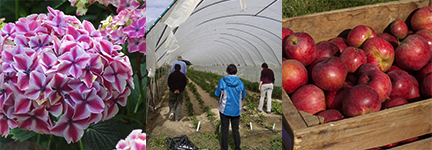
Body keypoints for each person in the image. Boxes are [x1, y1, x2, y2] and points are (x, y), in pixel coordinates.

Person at [215, 64, 246, 150]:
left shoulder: (223, 81)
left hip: (224, 109)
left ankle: (224, 148)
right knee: (235, 129)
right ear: (236, 72)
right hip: (236, 110)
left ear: (227, 71)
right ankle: (237, 147)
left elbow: (217, 93)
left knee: (225, 129)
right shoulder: (240, 83)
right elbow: (243, 96)